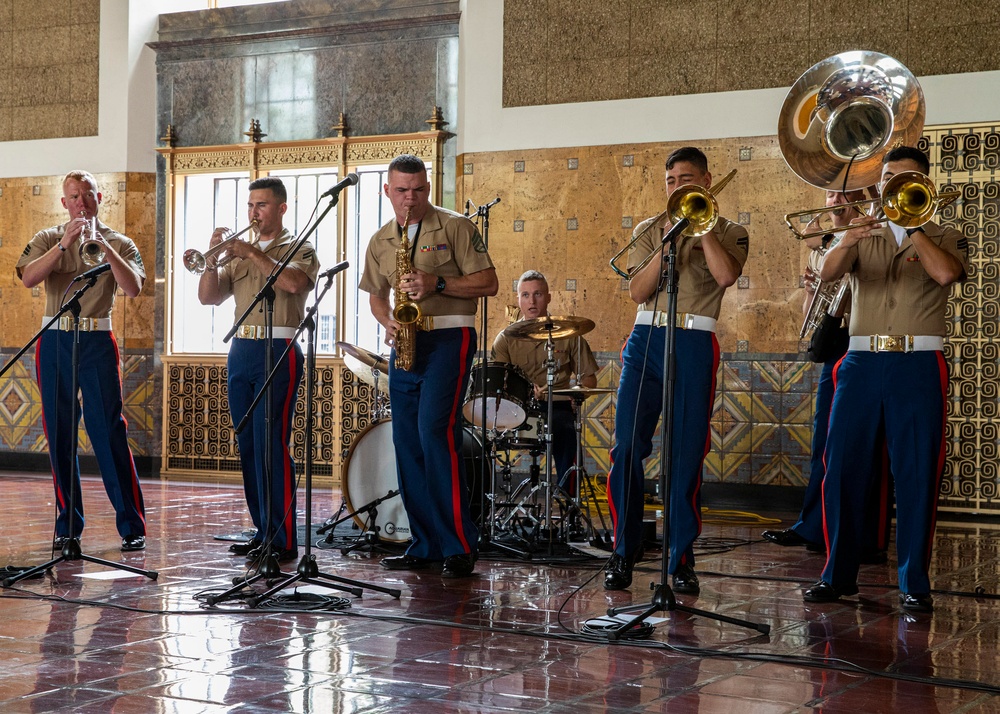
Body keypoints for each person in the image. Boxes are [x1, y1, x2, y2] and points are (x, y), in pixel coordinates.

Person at [804, 146, 967, 613]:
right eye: (889, 177)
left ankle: (914, 582)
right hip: (860, 363)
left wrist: (914, 226)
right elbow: (828, 275)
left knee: (916, 474)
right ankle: (837, 576)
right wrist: (849, 237)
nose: (894, 185)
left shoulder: (945, 234)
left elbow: (945, 273)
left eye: (906, 178)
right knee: (842, 471)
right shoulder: (862, 234)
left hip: (917, 364)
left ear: (924, 184)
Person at [605, 147, 748, 592]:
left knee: (685, 455)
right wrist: (666, 241)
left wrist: (701, 228)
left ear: (706, 181)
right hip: (646, 338)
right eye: (670, 181)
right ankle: (623, 551)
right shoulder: (651, 228)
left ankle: (680, 559)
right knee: (627, 447)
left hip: (693, 340)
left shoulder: (732, 231)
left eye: (686, 179)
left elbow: (725, 277)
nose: (677, 187)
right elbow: (637, 292)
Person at [359, 153, 498, 578]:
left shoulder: (456, 226)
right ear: (387, 190)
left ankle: (458, 544)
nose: (410, 199)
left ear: (428, 189)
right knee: (406, 441)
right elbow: (377, 295)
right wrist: (388, 323)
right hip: (406, 341)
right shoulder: (382, 239)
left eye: (418, 190)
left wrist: (435, 282)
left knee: (434, 433)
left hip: (449, 337)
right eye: (401, 191)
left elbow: (489, 282)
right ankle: (423, 543)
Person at [16, 170, 147, 552]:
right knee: (59, 432)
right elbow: (27, 278)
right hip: (55, 338)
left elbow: (134, 288)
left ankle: (131, 524)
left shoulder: (120, 241)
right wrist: (64, 245)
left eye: (87, 195)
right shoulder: (47, 238)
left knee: (108, 430)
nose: (81, 203)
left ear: (99, 198)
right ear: (64, 203)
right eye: (74, 197)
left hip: (96, 339)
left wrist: (103, 247)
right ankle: (67, 526)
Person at [763, 189, 892, 563]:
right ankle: (815, 526)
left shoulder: (877, 236)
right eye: (829, 192)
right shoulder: (823, 248)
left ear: (861, 198)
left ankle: (865, 536)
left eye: (843, 193)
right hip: (835, 347)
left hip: (865, 344)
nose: (834, 199)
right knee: (825, 440)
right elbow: (812, 318)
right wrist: (810, 289)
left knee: (866, 447)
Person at [197, 177, 319, 564]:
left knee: (272, 442)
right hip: (242, 348)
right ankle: (263, 529)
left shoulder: (300, 246)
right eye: (251, 205)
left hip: (279, 347)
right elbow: (208, 298)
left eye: (262, 205)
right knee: (248, 444)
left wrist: (249, 251)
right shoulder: (236, 253)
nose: (253, 212)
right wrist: (213, 260)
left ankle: (282, 539)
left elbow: (294, 282)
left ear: (281, 208)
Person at [492, 270, 599, 493]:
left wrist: (573, 394)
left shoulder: (569, 334)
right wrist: (525, 392)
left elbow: (589, 379)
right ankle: (492, 503)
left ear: (549, 297)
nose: (532, 301)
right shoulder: (505, 338)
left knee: (567, 431)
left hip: (557, 406)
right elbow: (497, 381)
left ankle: (568, 502)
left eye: (538, 294)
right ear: (518, 299)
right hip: (518, 408)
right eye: (525, 295)